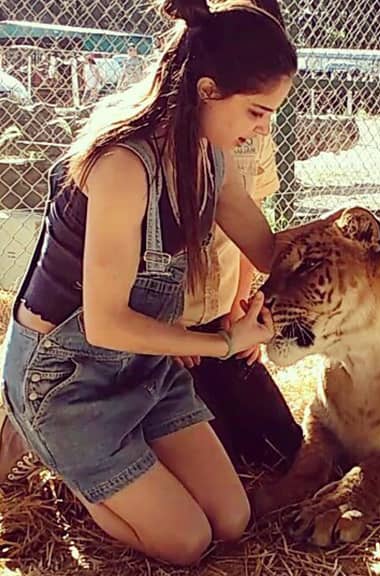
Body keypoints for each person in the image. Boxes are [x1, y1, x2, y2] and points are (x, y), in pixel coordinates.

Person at [0, 0, 296, 566]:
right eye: (257, 112)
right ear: (207, 91)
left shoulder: (209, 151)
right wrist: (225, 343)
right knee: (186, 543)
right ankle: (69, 464)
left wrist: (336, 260)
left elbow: (263, 244)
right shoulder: (123, 165)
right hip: (67, 378)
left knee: (231, 522)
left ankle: (120, 471)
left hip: (140, 366)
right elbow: (106, 323)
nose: (264, 128)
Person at [180, 0, 302, 473]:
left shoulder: (248, 129)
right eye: (258, 110)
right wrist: (167, 336)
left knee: (281, 449)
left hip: (219, 321)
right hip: (161, 330)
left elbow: (254, 230)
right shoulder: (146, 153)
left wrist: (240, 309)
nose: (264, 125)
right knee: (220, 463)